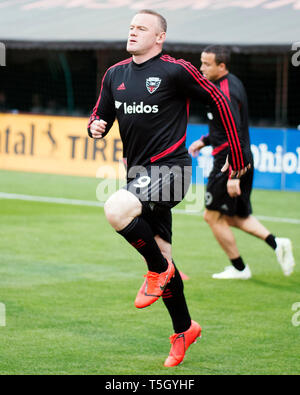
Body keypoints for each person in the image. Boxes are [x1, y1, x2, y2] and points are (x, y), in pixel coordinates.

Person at [88, 11, 250, 367]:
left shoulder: (176, 70)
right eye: (131, 27)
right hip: (137, 176)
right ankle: (184, 328)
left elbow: (220, 101)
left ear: (159, 37)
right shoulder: (115, 75)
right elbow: (99, 115)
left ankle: (155, 270)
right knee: (166, 257)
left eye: (141, 28)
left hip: (172, 171)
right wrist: (95, 126)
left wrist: (237, 155)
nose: (133, 32)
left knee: (116, 209)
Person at [189, 45, 295, 279]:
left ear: (222, 66)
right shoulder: (227, 83)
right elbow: (225, 128)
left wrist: (233, 175)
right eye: (201, 62)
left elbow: (234, 134)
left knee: (211, 215)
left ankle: (240, 269)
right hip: (238, 157)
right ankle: (277, 243)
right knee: (233, 217)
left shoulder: (225, 92)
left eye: (207, 64)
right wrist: (205, 140)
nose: (201, 67)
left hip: (230, 162)